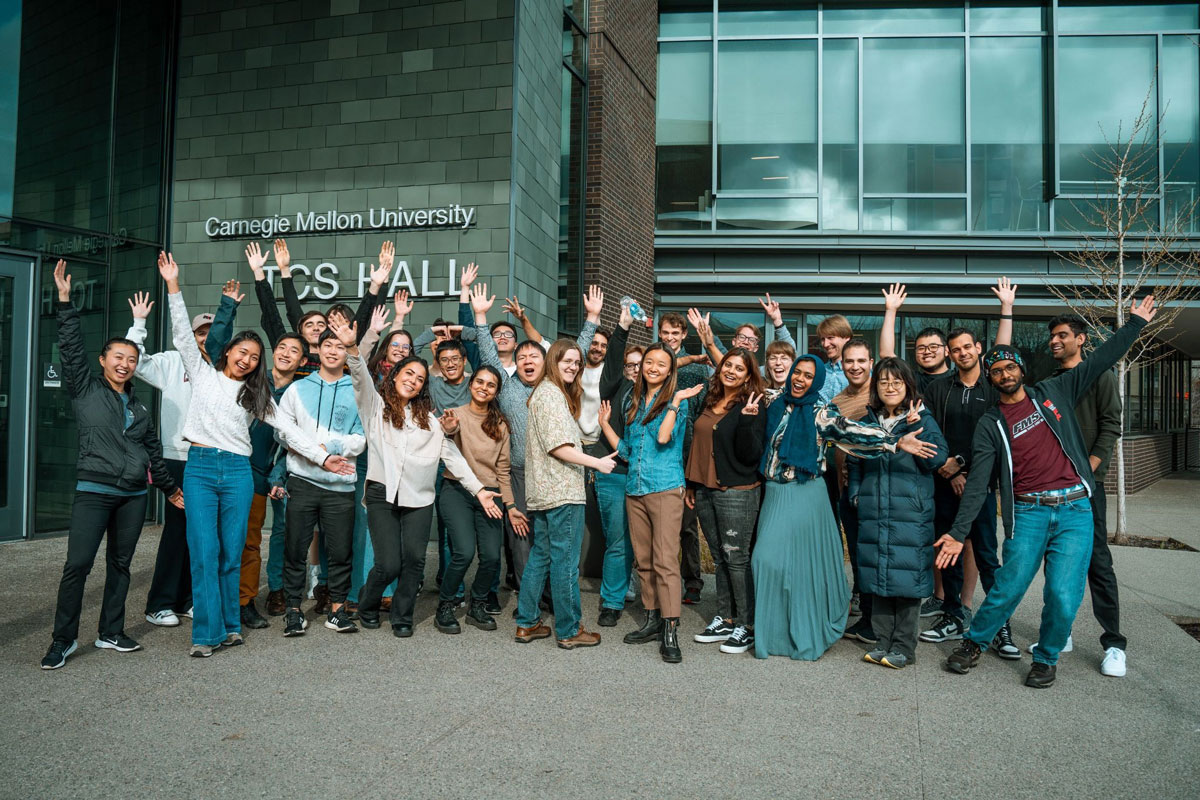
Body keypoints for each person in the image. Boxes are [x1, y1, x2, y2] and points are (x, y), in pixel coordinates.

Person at [939, 297, 1156, 689]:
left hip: (1075, 510)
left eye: (1010, 367)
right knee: (1008, 586)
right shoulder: (991, 424)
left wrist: (1134, 324)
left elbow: (1102, 358)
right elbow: (978, 483)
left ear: (1021, 370)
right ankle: (975, 642)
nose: (1004, 374)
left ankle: (1046, 658)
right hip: (1029, 513)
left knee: (1062, 593)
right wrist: (957, 532)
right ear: (990, 378)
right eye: (996, 371)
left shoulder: (1054, 391)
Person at [157, 253, 351, 658]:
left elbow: (290, 431)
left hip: (238, 473)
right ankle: (206, 634)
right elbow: (181, 332)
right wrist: (173, 285)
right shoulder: (204, 374)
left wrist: (323, 458)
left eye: (253, 357)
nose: (246, 359)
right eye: (241, 352)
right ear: (228, 351)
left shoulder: (255, 395)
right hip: (200, 469)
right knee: (205, 552)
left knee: (232, 554)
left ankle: (230, 626)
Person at [41, 261, 184, 670]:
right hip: (94, 491)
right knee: (78, 565)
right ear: (103, 359)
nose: (125, 363)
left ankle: (110, 632)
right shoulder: (86, 389)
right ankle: (63, 640)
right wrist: (65, 301)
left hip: (133, 496)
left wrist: (170, 489)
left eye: (131, 359)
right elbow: (71, 347)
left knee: (120, 566)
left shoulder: (139, 407)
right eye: (118, 356)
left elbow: (153, 452)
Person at [751, 354, 938, 661]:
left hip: (804, 494)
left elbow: (852, 430)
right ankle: (772, 636)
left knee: (797, 569)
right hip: (774, 495)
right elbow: (740, 376)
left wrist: (894, 441)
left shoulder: (820, 413)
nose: (800, 379)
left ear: (817, 381)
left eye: (808, 375)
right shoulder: (772, 402)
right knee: (767, 562)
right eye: (798, 372)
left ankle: (806, 631)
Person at [332, 316, 501, 637]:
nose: (413, 380)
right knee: (388, 564)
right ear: (395, 375)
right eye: (408, 373)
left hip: (419, 499)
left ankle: (402, 616)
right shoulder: (375, 408)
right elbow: (361, 379)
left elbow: (453, 457)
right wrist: (352, 347)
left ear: (424, 387)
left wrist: (479, 490)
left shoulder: (430, 422)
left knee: (414, 561)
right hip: (383, 493)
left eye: (420, 378)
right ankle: (367, 603)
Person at [469, 283, 600, 598]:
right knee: (522, 538)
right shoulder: (507, 387)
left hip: (556, 473)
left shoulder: (555, 386)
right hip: (520, 473)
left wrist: (592, 318)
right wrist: (480, 316)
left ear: (546, 362)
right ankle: (529, 598)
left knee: (555, 539)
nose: (527, 360)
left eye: (534, 356)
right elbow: (488, 354)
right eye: (522, 356)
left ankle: (553, 595)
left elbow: (576, 354)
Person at [124, 287, 231, 628]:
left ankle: (186, 599)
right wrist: (139, 323)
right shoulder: (173, 361)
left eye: (211, 333)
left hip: (212, 458)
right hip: (178, 459)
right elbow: (136, 362)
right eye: (200, 333)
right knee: (177, 531)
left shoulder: (225, 369)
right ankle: (159, 603)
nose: (206, 339)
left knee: (201, 533)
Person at [1039, 313, 1127, 677]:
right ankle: (1061, 633)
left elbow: (1111, 425)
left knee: (1097, 563)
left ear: (1081, 339)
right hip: (1053, 486)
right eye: (1052, 336)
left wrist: (1089, 468)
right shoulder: (1048, 383)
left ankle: (1114, 645)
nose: (1055, 341)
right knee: (1056, 561)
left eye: (1062, 335)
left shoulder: (1101, 376)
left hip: (1087, 487)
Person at [515, 339, 618, 649]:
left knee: (541, 557)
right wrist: (597, 463)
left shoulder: (546, 393)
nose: (573, 366)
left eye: (577, 362)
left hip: (545, 491)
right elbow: (558, 447)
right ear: (553, 362)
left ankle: (527, 623)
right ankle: (569, 629)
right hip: (561, 492)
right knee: (565, 563)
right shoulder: (551, 395)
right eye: (567, 361)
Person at [598, 343, 698, 662]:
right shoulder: (633, 400)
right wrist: (605, 425)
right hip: (635, 489)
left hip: (665, 487)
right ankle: (652, 620)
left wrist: (675, 402)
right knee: (643, 560)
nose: (653, 367)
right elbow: (628, 450)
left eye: (661, 364)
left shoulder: (677, 401)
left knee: (665, 561)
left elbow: (664, 438)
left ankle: (670, 630)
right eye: (648, 362)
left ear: (670, 371)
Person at [847, 359, 948, 669]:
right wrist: (856, 494)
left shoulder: (921, 419)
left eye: (896, 382)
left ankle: (904, 646)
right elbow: (854, 459)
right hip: (874, 512)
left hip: (909, 514)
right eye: (883, 382)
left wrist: (916, 429)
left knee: (906, 580)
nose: (890, 387)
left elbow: (937, 459)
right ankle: (882, 642)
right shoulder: (868, 421)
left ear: (907, 386)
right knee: (877, 579)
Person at [919, 327, 1014, 656]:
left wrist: (964, 469)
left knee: (987, 557)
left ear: (978, 348)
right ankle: (953, 615)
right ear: (949, 353)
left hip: (981, 486)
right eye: (955, 349)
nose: (962, 353)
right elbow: (927, 431)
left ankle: (1000, 625)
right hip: (944, 483)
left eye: (967, 347)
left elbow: (1000, 440)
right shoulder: (938, 388)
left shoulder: (994, 389)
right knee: (948, 553)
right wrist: (949, 469)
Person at [274, 328, 366, 637]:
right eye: (328, 344)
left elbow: (362, 437)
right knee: (295, 549)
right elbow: (282, 431)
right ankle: (293, 610)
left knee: (340, 552)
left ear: (346, 353)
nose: (333, 350)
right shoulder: (297, 389)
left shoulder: (358, 391)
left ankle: (337, 610)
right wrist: (315, 453)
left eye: (340, 346)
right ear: (319, 350)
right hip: (302, 481)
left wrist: (333, 447)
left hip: (340, 485)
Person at [684, 348, 766, 655]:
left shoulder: (752, 403)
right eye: (727, 365)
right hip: (705, 489)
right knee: (720, 557)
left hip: (736, 491)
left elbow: (750, 455)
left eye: (739, 368)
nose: (731, 371)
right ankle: (726, 618)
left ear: (748, 376)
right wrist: (692, 484)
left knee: (736, 557)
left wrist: (746, 421)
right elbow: (699, 444)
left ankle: (746, 624)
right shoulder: (710, 398)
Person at [437, 365, 518, 633]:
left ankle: (478, 605)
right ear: (471, 384)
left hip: (491, 494)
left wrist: (510, 505)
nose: (484, 387)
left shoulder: (501, 424)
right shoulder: (454, 415)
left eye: (490, 385)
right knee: (463, 552)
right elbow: (444, 443)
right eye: (480, 382)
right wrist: (448, 430)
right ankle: (446, 605)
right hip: (456, 490)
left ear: (496, 392)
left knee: (492, 556)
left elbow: (503, 470)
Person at [589, 306, 640, 626]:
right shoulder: (614, 387)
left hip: (645, 475)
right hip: (614, 474)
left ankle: (649, 600)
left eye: (641, 364)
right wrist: (623, 327)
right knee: (618, 540)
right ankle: (611, 602)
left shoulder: (656, 395)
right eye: (630, 364)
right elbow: (612, 362)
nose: (635, 369)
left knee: (642, 541)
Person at [656, 310, 707, 605]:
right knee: (661, 524)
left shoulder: (697, 370)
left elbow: (700, 414)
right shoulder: (654, 363)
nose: (670, 337)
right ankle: (662, 580)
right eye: (665, 332)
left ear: (684, 335)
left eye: (675, 333)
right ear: (659, 333)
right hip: (658, 451)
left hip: (686, 452)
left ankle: (693, 581)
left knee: (687, 524)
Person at [831, 338, 878, 645]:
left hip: (875, 490)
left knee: (873, 554)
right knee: (859, 553)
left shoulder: (881, 393)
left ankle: (876, 620)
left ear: (871, 363)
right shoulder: (836, 402)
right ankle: (866, 614)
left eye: (861, 361)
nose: (855, 367)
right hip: (846, 490)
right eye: (849, 361)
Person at [814, 314, 853, 402]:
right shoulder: (820, 371)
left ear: (846, 337)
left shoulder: (858, 371)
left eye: (830, 338)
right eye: (823, 339)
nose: (825, 344)